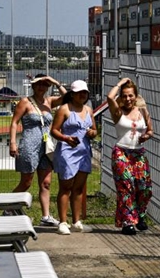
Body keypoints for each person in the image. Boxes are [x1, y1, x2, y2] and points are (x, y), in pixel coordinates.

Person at [8, 74, 67, 226]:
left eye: (45, 85)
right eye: (39, 84)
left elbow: (68, 98)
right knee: (26, 181)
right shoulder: (25, 102)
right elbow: (14, 122)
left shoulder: (50, 101)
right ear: (33, 86)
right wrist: (13, 142)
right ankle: (8, 207)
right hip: (29, 144)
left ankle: (46, 216)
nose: (42, 87)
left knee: (46, 182)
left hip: (46, 147)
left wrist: (55, 82)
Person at [107, 77, 154, 235]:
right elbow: (109, 97)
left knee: (144, 187)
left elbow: (150, 130)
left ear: (136, 96)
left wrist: (146, 136)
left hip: (138, 153)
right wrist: (120, 84)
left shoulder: (142, 110)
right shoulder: (118, 112)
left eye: (131, 95)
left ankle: (140, 216)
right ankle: (128, 222)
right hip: (122, 152)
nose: (127, 99)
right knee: (126, 186)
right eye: (124, 95)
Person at [50, 80, 97, 235]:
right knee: (66, 187)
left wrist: (92, 133)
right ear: (72, 94)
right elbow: (54, 130)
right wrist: (65, 138)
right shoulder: (64, 109)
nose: (82, 95)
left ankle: (76, 221)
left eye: (84, 92)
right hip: (67, 151)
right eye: (79, 92)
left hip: (84, 152)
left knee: (78, 188)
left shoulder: (89, 110)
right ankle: (63, 221)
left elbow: (94, 130)